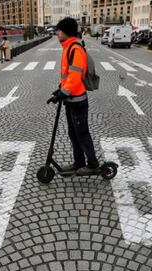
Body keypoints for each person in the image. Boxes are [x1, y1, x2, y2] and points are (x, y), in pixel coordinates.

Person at [47, 17, 99, 175]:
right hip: (71, 100)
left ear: (66, 32)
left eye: (59, 30)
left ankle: (93, 164)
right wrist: (60, 90)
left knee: (82, 133)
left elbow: (75, 77)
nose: (57, 33)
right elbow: (68, 76)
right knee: (73, 133)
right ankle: (79, 162)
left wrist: (63, 93)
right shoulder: (68, 47)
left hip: (77, 100)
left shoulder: (75, 49)